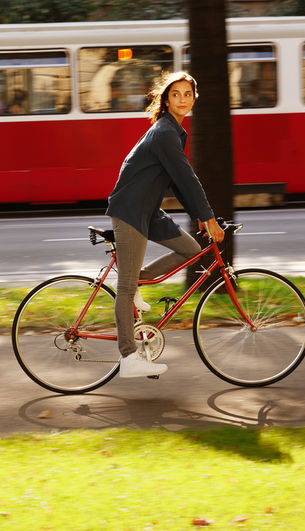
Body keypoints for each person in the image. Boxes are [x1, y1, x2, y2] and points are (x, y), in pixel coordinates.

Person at [105, 71, 224, 379]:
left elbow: (179, 182)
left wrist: (198, 214)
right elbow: (187, 178)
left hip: (148, 210)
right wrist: (208, 217)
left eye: (187, 94)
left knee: (191, 249)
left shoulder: (171, 131)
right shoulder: (165, 132)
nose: (182, 99)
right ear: (166, 99)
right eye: (176, 94)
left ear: (194, 99)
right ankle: (129, 357)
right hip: (132, 210)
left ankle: (130, 283)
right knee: (127, 286)